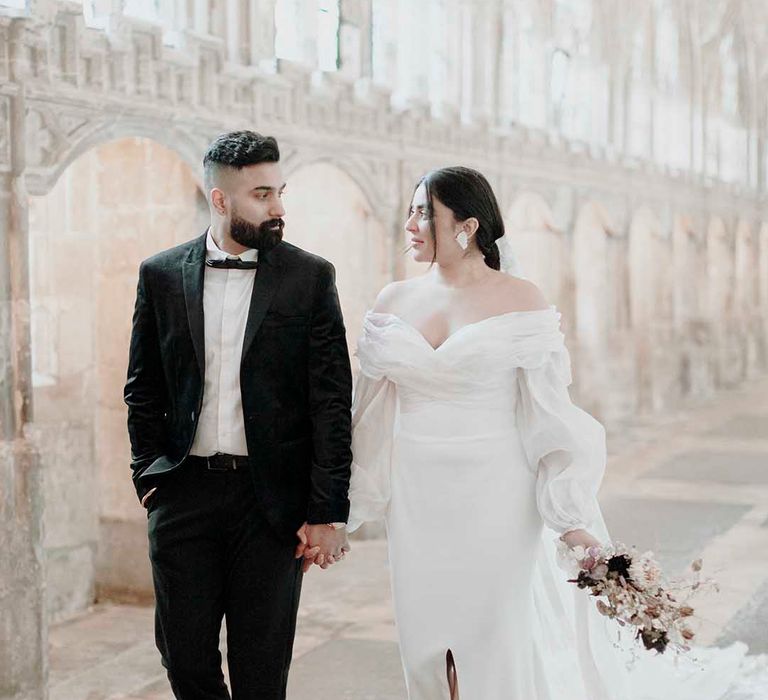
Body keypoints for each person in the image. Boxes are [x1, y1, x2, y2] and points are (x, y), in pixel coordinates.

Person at [344, 166, 768, 699]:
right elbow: (371, 417)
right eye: (410, 210)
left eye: (423, 211)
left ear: (467, 226)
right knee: (426, 643)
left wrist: (569, 519)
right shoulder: (391, 301)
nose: (409, 223)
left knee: (492, 640)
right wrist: (346, 509)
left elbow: (547, 412)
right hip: (418, 499)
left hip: (498, 495)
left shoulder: (521, 300)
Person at [124, 130, 352, 700]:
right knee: (184, 660)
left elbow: (330, 401)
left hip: (269, 502)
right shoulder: (160, 274)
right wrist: (149, 478)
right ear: (220, 200)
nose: (277, 208)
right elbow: (142, 388)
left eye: (279, 192)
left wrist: (326, 509)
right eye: (261, 195)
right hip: (183, 495)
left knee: (261, 668)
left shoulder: (310, 278)